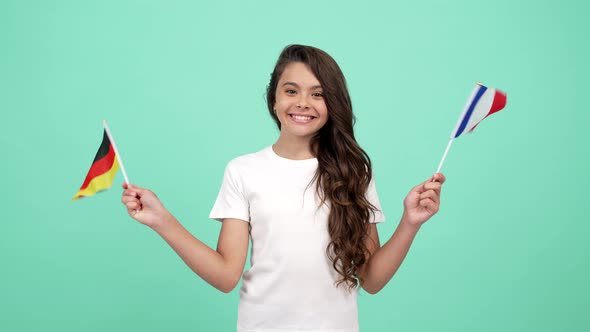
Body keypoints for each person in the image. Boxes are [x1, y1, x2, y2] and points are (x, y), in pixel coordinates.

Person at [121, 44, 445, 332]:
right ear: (273, 98)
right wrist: (162, 221)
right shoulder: (243, 171)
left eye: (318, 94)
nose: (303, 103)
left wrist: (410, 223)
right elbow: (225, 275)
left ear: (332, 103)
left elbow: (371, 279)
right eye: (291, 91)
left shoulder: (353, 171)